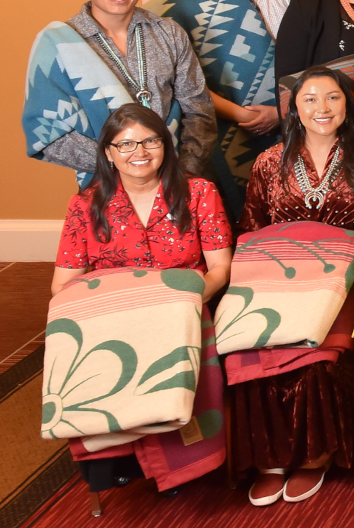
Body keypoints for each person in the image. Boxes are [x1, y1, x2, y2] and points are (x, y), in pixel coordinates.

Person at [50, 103, 232, 495]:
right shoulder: (85, 205)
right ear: (109, 153)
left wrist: (182, 301)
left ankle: (184, 463)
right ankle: (116, 461)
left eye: (150, 140)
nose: (140, 152)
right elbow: (63, 284)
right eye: (127, 143)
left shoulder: (199, 193)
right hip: (115, 316)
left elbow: (219, 268)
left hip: (180, 311)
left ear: (165, 145)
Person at [234, 66, 354, 505]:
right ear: (294, 108)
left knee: (319, 355)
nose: (322, 108)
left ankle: (315, 454)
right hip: (280, 279)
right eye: (310, 99)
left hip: (346, 279)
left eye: (333, 98)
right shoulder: (269, 161)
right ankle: (271, 455)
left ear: (347, 104)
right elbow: (252, 227)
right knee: (257, 350)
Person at [24, 0, 215, 186]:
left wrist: (185, 171)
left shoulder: (169, 33)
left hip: (177, 179)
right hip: (104, 186)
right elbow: (48, 131)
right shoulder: (59, 44)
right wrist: (128, 165)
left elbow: (199, 108)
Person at [147, 0, 294, 221]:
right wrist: (240, 113)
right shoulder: (182, 3)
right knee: (223, 216)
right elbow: (174, 78)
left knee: (278, 211)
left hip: (282, 125)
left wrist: (280, 112)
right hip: (214, 130)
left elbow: (302, 66)